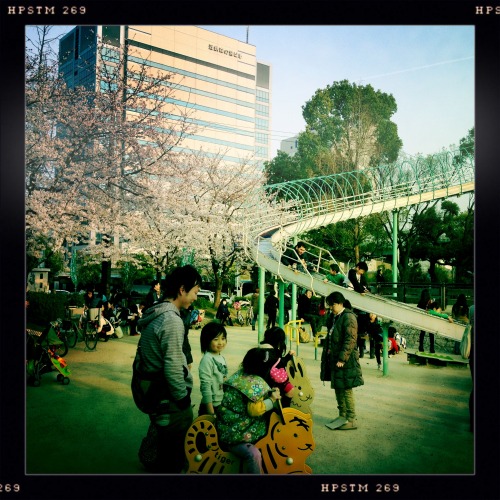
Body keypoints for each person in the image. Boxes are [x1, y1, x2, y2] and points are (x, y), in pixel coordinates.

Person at [135, 264, 202, 473]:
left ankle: (155, 459)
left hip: (152, 390)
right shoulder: (171, 320)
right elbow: (172, 365)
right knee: (173, 450)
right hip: (166, 395)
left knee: (163, 437)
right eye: (195, 292)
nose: (196, 298)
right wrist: (182, 399)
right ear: (182, 289)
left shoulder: (156, 313)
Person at [215, 347, 281, 473]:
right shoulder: (254, 384)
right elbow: (254, 410)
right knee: (254, 454)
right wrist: (272, 400)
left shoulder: (241, 375)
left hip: (230, 428)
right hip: (235, 436)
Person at [321, 291, 364, 430]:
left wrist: (342, 358)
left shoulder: (349, 317)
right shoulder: (335, 317)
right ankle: (342, 415)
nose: (330, 308)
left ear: (340, 303)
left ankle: (350, 418)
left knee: (346, 389)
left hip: (345, 361)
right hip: (334, 359)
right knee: (338, 387)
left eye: (332, 305)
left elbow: (350, 339)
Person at [259, 327, 295, 406]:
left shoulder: (260, 348)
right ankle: (284, 411)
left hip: (260, 379)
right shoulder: (272, 352)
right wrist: (289, 355)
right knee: (290, 390)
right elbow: (281, 364)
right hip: (269, 382)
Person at [198, 322, 228, 417]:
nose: (220, 343)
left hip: (220, 404)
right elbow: (205, 387)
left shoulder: (221, 358)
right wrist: (210, 412)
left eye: (223, 338)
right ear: (207, 341)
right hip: (210, 407)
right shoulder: (207, 359)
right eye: (216, 339)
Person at [417, 289, 436, 353]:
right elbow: (434, 309)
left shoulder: (420, 302)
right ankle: (432, 348)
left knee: (422, 333)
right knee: (431, 334)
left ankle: (421, 347)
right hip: (430, 320)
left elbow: (418, 309)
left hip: (423, 320)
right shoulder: (431, 301)